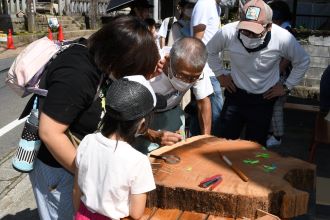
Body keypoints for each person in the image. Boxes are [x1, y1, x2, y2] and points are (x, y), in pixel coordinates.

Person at [29, 15, 160, 220]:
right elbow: (49, 132)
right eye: (134, 70)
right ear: (121, 60)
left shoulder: (103, 63)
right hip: (59, 169)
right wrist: (96, 173)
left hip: (80, 168)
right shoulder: (77, 73)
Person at [207, 0, 310, 146]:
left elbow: (303, 60)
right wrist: (220, 75)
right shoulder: (229, 32)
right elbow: (210, 51)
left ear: (268, 26)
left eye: (254, 31)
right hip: (235, 95)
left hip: (263, 99)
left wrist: (286, 86)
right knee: (224, 142)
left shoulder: (282, 38)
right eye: (245, 29)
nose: (248, 35)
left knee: (255, 148)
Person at [73, 76, 158, 220]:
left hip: (83, 214)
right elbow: (136, 213)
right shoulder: (139, 161)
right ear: (142, 123)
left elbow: (76, 190)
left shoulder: (87, 141)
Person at [134, 37, 213, 154]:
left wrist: (206, 139)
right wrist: (152, 134)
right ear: (168, 59)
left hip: (173, 114)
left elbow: (203, 102)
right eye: (182, 75)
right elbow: (126, 113)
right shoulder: (147, 66)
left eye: (193, 78)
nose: (187, 81)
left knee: (176, 155)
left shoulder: (196, 68)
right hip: (139, 119)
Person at [188, 0, 223, 137]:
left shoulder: (216, 6)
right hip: (205, 69)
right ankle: (210, 148)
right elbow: (197, 38)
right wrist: (196, 68)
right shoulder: (205, 3)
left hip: (212, 67)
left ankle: (194, 146)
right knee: (215, 115)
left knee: (201, 115)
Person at [266, 0, 295, 147]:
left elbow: (288, 57)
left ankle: (277, 136)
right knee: (272, 104)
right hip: (278, 74)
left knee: (276, 104)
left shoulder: (286, 31)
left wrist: (276, 73)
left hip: (281, 75)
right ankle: (272, 134)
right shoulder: (284, 29)